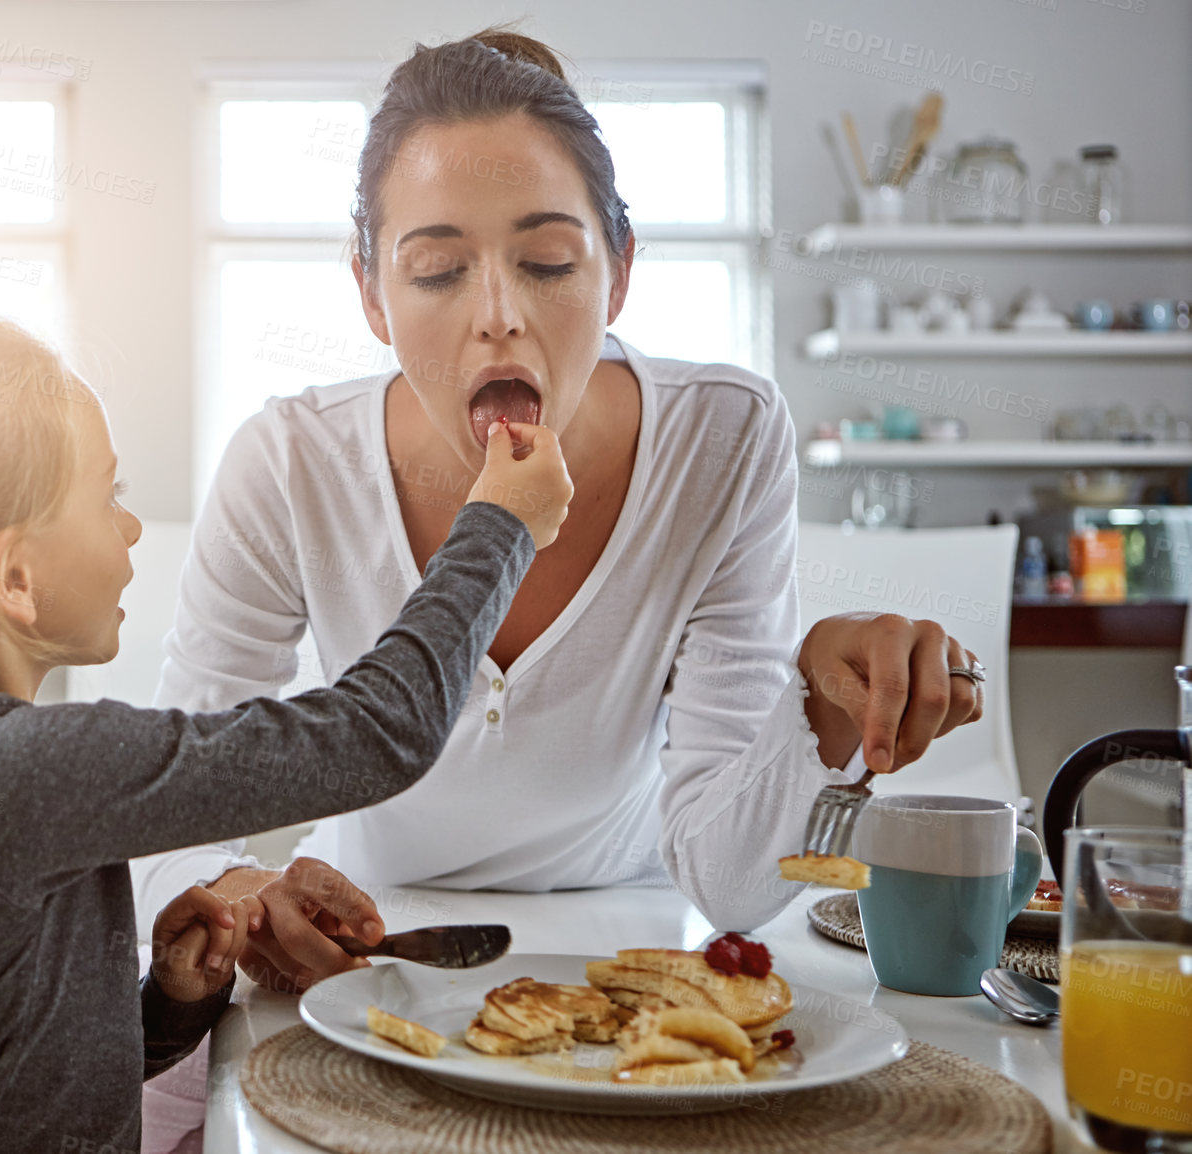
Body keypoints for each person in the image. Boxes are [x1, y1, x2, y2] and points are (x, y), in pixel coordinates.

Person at [133, 28, 987, 1001]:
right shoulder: (289, 460)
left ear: (617, 272)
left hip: (630, 933)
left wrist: (825, 711)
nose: (498, 313)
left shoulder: (725, 437)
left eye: (545, 262)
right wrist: (236, 884)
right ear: (370, 292)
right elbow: (168, 808)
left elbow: (733, 887)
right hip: (371, 939)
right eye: (437, 271)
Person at [0, 310, 573, 1151]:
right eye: (110, 495)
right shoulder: (15, 769)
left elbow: (28, 1086)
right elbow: (375, 735)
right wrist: (498, 529)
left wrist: (170, 1001)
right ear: (15, 578)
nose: (133, 526)